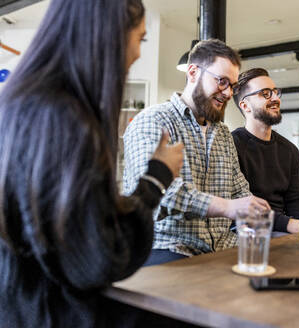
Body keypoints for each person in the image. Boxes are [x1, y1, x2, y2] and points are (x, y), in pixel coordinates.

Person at [0, 0, 185, 327]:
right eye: (139, 39)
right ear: (110, 33)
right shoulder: (69, 121)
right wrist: (157, 178)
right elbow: (98, 260)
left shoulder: (16, 103)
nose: (139, 53)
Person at [123, 40, 270, 266]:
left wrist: (253, 211)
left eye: (232, 85)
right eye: (221, 82)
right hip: (167, 245)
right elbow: (162, 193)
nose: (228, 93)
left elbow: (240, 189)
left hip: (222, 245)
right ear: (193, 72)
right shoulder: (154, 121)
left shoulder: (222, 133)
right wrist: (227, 207)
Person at [232, 68, 299, 233]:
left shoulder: (289, 150)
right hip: (248, 230)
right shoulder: (232, 145)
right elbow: (242, 205)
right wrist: (293, 226)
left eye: (274, 92)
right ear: (245, 105)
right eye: (265, 93)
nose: (275, 98)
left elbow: (295, 201)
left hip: (282, 230)